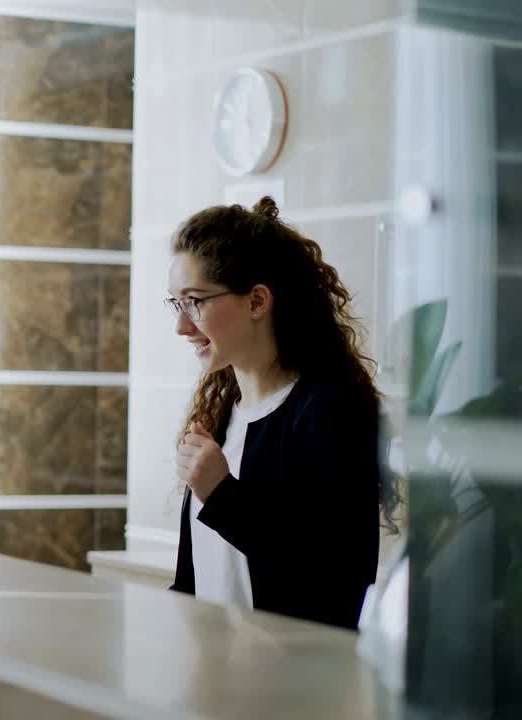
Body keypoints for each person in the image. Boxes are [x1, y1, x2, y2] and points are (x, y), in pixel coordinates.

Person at [167, 196, 394, 630]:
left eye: (194, 301)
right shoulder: (217, 418)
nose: (181, 325)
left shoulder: (330, 411)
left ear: (256, 302)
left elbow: (337, 575)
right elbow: (191, 582)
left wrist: (221, 494)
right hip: (213, 689)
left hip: (293, 688)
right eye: (176, 304)